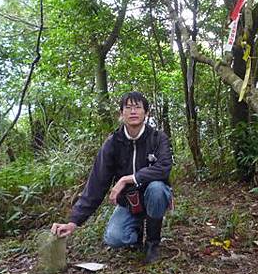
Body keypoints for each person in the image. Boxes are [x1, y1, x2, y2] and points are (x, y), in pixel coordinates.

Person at [51, 91, 173, 264]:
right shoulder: (113, 143)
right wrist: (73, 222)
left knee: (157, 189)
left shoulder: (157, 138)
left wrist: (126, 179)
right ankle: (136, 232)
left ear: (146, 113)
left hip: (153, 195)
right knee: (114, 238)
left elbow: (164, 168)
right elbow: (96, 184)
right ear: (121, 113)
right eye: (128, 108)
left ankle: (153, 243)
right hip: (130, 202)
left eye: (138, 107)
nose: (133, 112)